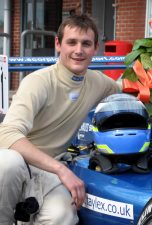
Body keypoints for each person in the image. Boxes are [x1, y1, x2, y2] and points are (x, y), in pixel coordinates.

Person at [0, 14, 119, 225]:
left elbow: (131, 90)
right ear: (58, 44)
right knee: (7, 162)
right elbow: (7, 134)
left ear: (96, 48)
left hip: (49, 175)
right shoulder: (37, 82)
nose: (78, 50)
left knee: (62, 216)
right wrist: (62, 170)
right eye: (71, 42)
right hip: (20, 169)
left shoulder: (99, 83)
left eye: (86, 44)